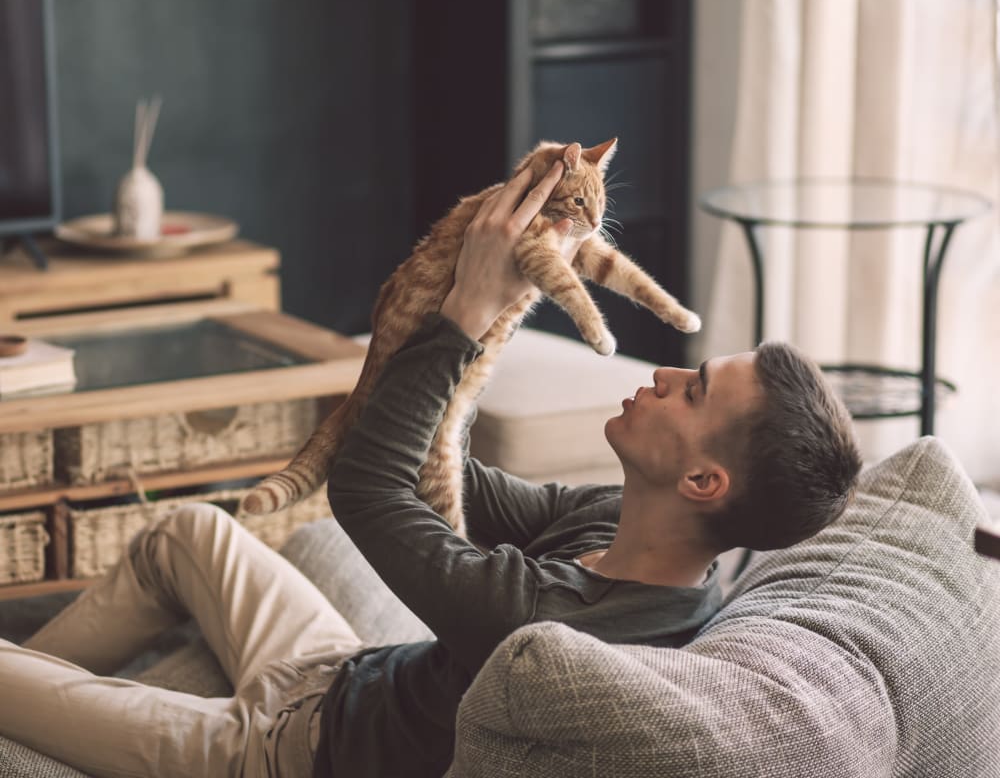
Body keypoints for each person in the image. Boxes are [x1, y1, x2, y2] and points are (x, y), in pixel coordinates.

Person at [0, 161, 862, 778]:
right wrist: (463, 316)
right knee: (188, 530)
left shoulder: (551, 630)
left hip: (277, 753)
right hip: (337, 672)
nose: (666, 373)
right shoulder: (629, 529)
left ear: (705, 483)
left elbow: (368, 490)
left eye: (696, 389)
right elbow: (433, 472)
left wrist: (466, 314)